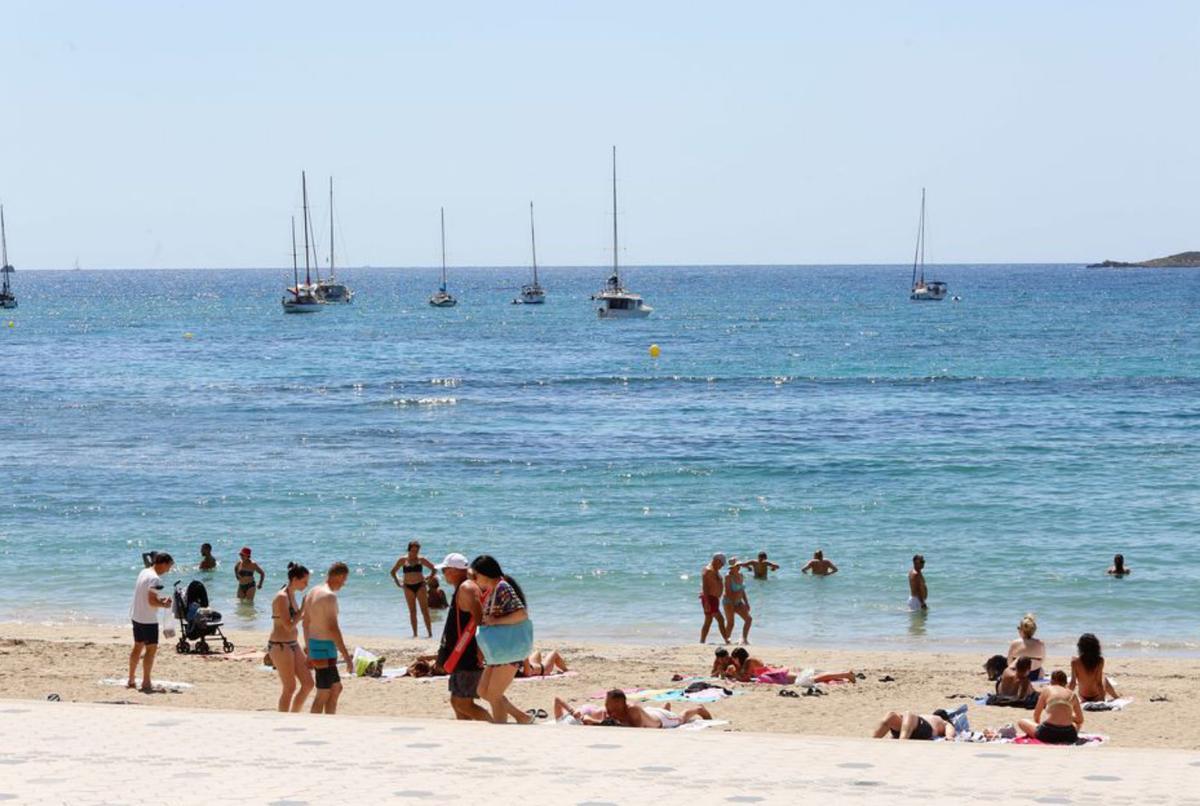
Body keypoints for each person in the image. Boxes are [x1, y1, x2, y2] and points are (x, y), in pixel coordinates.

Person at [471, 555, 534, 724]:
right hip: (500, 651)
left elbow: (522, 614)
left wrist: (495, 621)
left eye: (475, 575)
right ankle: (522, 716)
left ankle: (501, 729)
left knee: (493, 694)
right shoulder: (494, 589)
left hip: (508, 650)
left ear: (485, 573)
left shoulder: (502, 587)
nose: (474, 580)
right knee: (483, 691)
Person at [434, 553, 491, 722]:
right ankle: (466, 732)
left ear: (454, 570)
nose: (443, 574)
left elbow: (480, 621)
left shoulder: (466, 588)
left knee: (463, 703)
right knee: (456, 702)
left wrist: (480, 650)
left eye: (445, 570)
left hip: (467, 655)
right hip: (459, 655)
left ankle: (494, 726)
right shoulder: (464, 587)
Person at [303, 562, 353, 715]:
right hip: (323, 648)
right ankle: (314, 724)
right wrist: (347, 657)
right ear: (339, 576)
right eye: (344, 580)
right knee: (324, 692)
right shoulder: (329, 596)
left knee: (336, 688)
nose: (344, 584)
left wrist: (308, 647)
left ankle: (329, 720)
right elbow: (333, 628)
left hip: (317, 645)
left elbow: (305, 622)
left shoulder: (313, 591)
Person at [268, 563, 314, 712]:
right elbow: (288, 625)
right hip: (280, 645)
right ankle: (284, 718)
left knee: (308, 684)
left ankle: (294, 715)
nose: (306, 585)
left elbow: (296, 618)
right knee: (290, 687)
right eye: (304, 581)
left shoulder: (291, 594)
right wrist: (303, 608)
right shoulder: (282, 597)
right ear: (294, 579)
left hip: (293, 644)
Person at [128, 552, 174, 692]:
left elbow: (147, 597)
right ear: (163, 564)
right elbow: (151, 601)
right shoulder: (155, 579)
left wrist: (160, 601)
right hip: (148, 619)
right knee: (150, 650)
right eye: (169, 566)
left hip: (136, 615)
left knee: (137, 646)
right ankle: (146, 682)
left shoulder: (144, 572)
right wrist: (164, 604)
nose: (169, 570)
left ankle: (131, 679)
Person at [726, 647, 857, 686]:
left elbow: (745, 678)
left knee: (812, 679)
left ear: (738, 658)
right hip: (780, 675)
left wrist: (733, 674)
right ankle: (843, 677)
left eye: (735, 659)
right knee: (815, 678)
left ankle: (846, 674)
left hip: (781, 675)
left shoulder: (749, 661)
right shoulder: (749, 662)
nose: (734, 662)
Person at [1018, 670, 1084, 744]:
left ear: (1051, 681)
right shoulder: (1072, 694)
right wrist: (1068, 716)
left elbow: (1036, 715)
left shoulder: (1047, 690)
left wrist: (1038, 727)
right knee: (1077, 724)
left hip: (1048, 733)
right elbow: (1080, 720)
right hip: (1069, 735)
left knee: (1022, 722)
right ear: (1065, 683)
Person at [390, 541, 437, 638]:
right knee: (412, 611)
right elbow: (393, 572)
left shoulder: (421, 559)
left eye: (417, 551)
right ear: (409, 549)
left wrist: (428, 579)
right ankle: (415, 634)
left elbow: (434, 569)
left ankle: (430, 634)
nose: (415, 553)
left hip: (420, 586)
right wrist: (398, 583)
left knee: (425, 611)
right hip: (408, 587)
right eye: (413, 550)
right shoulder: (402, 560)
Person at [604, 689, 712, 728]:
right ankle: (665, 709)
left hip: (662, 719)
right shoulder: (614, 711)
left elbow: (637, 729)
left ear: (620, 704)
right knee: (655, 714)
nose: (608, 710)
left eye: (610, 706)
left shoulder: (633, 710)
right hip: (650, 713)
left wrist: (618, 723)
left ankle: (698, 708)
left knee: (681, 718)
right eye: (607, 705)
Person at [1070, 633, 1119, 702]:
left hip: (1083, 697)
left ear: (1080, 646)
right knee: (1103, 677)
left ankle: (1116, 696)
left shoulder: (1075, 661)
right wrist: (1102, 700)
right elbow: (1099, 683)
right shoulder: (1100, 660)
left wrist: (1065, 696)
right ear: (1096, 647)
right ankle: (1116, 696)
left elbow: (1073, 683)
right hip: (1097, 697)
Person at [699, 554, 731, 644]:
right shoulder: (708, 570)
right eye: (721, 564)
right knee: (720, 619)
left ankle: (702, 641)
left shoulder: (714, 570)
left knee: (708, 620)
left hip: (714, 598)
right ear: (717, 560)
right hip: (710, 598)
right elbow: (705, 587)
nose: (722, 566)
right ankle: (726, 640)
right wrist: (707, 602)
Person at [721, 557, 754, 644]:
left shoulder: (741, 575)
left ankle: (744, 639)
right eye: (737, 566)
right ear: (732, 568)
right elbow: (728, 593)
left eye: (739, 565)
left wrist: (746, 603)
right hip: (728, 602)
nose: (739, 567)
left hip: (738, 602)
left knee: (749, 619)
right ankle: (726, 640)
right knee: (731, 623)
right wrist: (738, 595)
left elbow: (743, 591)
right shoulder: (728, 577)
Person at [1006, 613, 1046, 680]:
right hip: (1035, 674)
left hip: (1017, 674)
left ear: (1021, 630)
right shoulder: (1040, 643)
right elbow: (1042, 660)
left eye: (1019, 628)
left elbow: (1009, 663)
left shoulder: (1015, 643)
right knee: (1041, 670)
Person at [873, 709, 957, 740]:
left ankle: (902, 742)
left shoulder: (942, 720)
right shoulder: (928, 718)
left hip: (924, 731)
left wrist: (949, 736)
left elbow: (949, 726)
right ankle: (873, 741)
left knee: (908, 714)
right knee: (891, 715)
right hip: (911, 729)